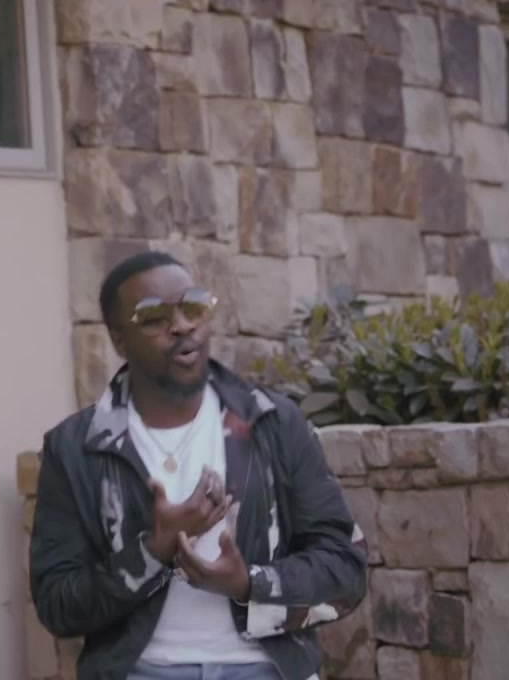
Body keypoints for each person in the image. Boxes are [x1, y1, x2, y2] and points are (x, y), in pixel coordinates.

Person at [29, 251, 368, 680]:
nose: (182, 325)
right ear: (118, 340)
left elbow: (344, 565)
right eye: (154, 317)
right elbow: (57, 604)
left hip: (268, 669)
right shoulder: (76, 448)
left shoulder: (272, 424)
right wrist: (153, 552)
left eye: (193, 307)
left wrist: (248, 583)